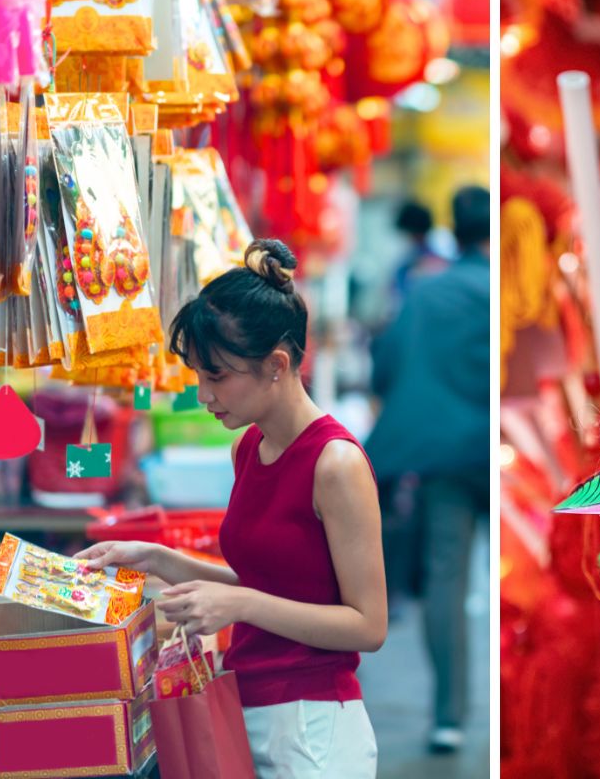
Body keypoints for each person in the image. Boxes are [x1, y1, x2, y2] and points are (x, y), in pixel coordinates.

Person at [77, 240, 386, 779]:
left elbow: (367, 625)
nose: (203, 394)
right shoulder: (250, 446)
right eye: (200, 374)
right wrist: (155, 557)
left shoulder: (335, 464)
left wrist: (238, 605)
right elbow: (269, 582)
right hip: (245, 705)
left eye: (217, 376)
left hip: (313, 730)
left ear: (276, 365)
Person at [365, 186, 490, 754]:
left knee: (448, 579)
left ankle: (449, 717)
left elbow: (385, 368)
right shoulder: (506, 289)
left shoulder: (424, 291)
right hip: (511, 452)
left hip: (444, 456)